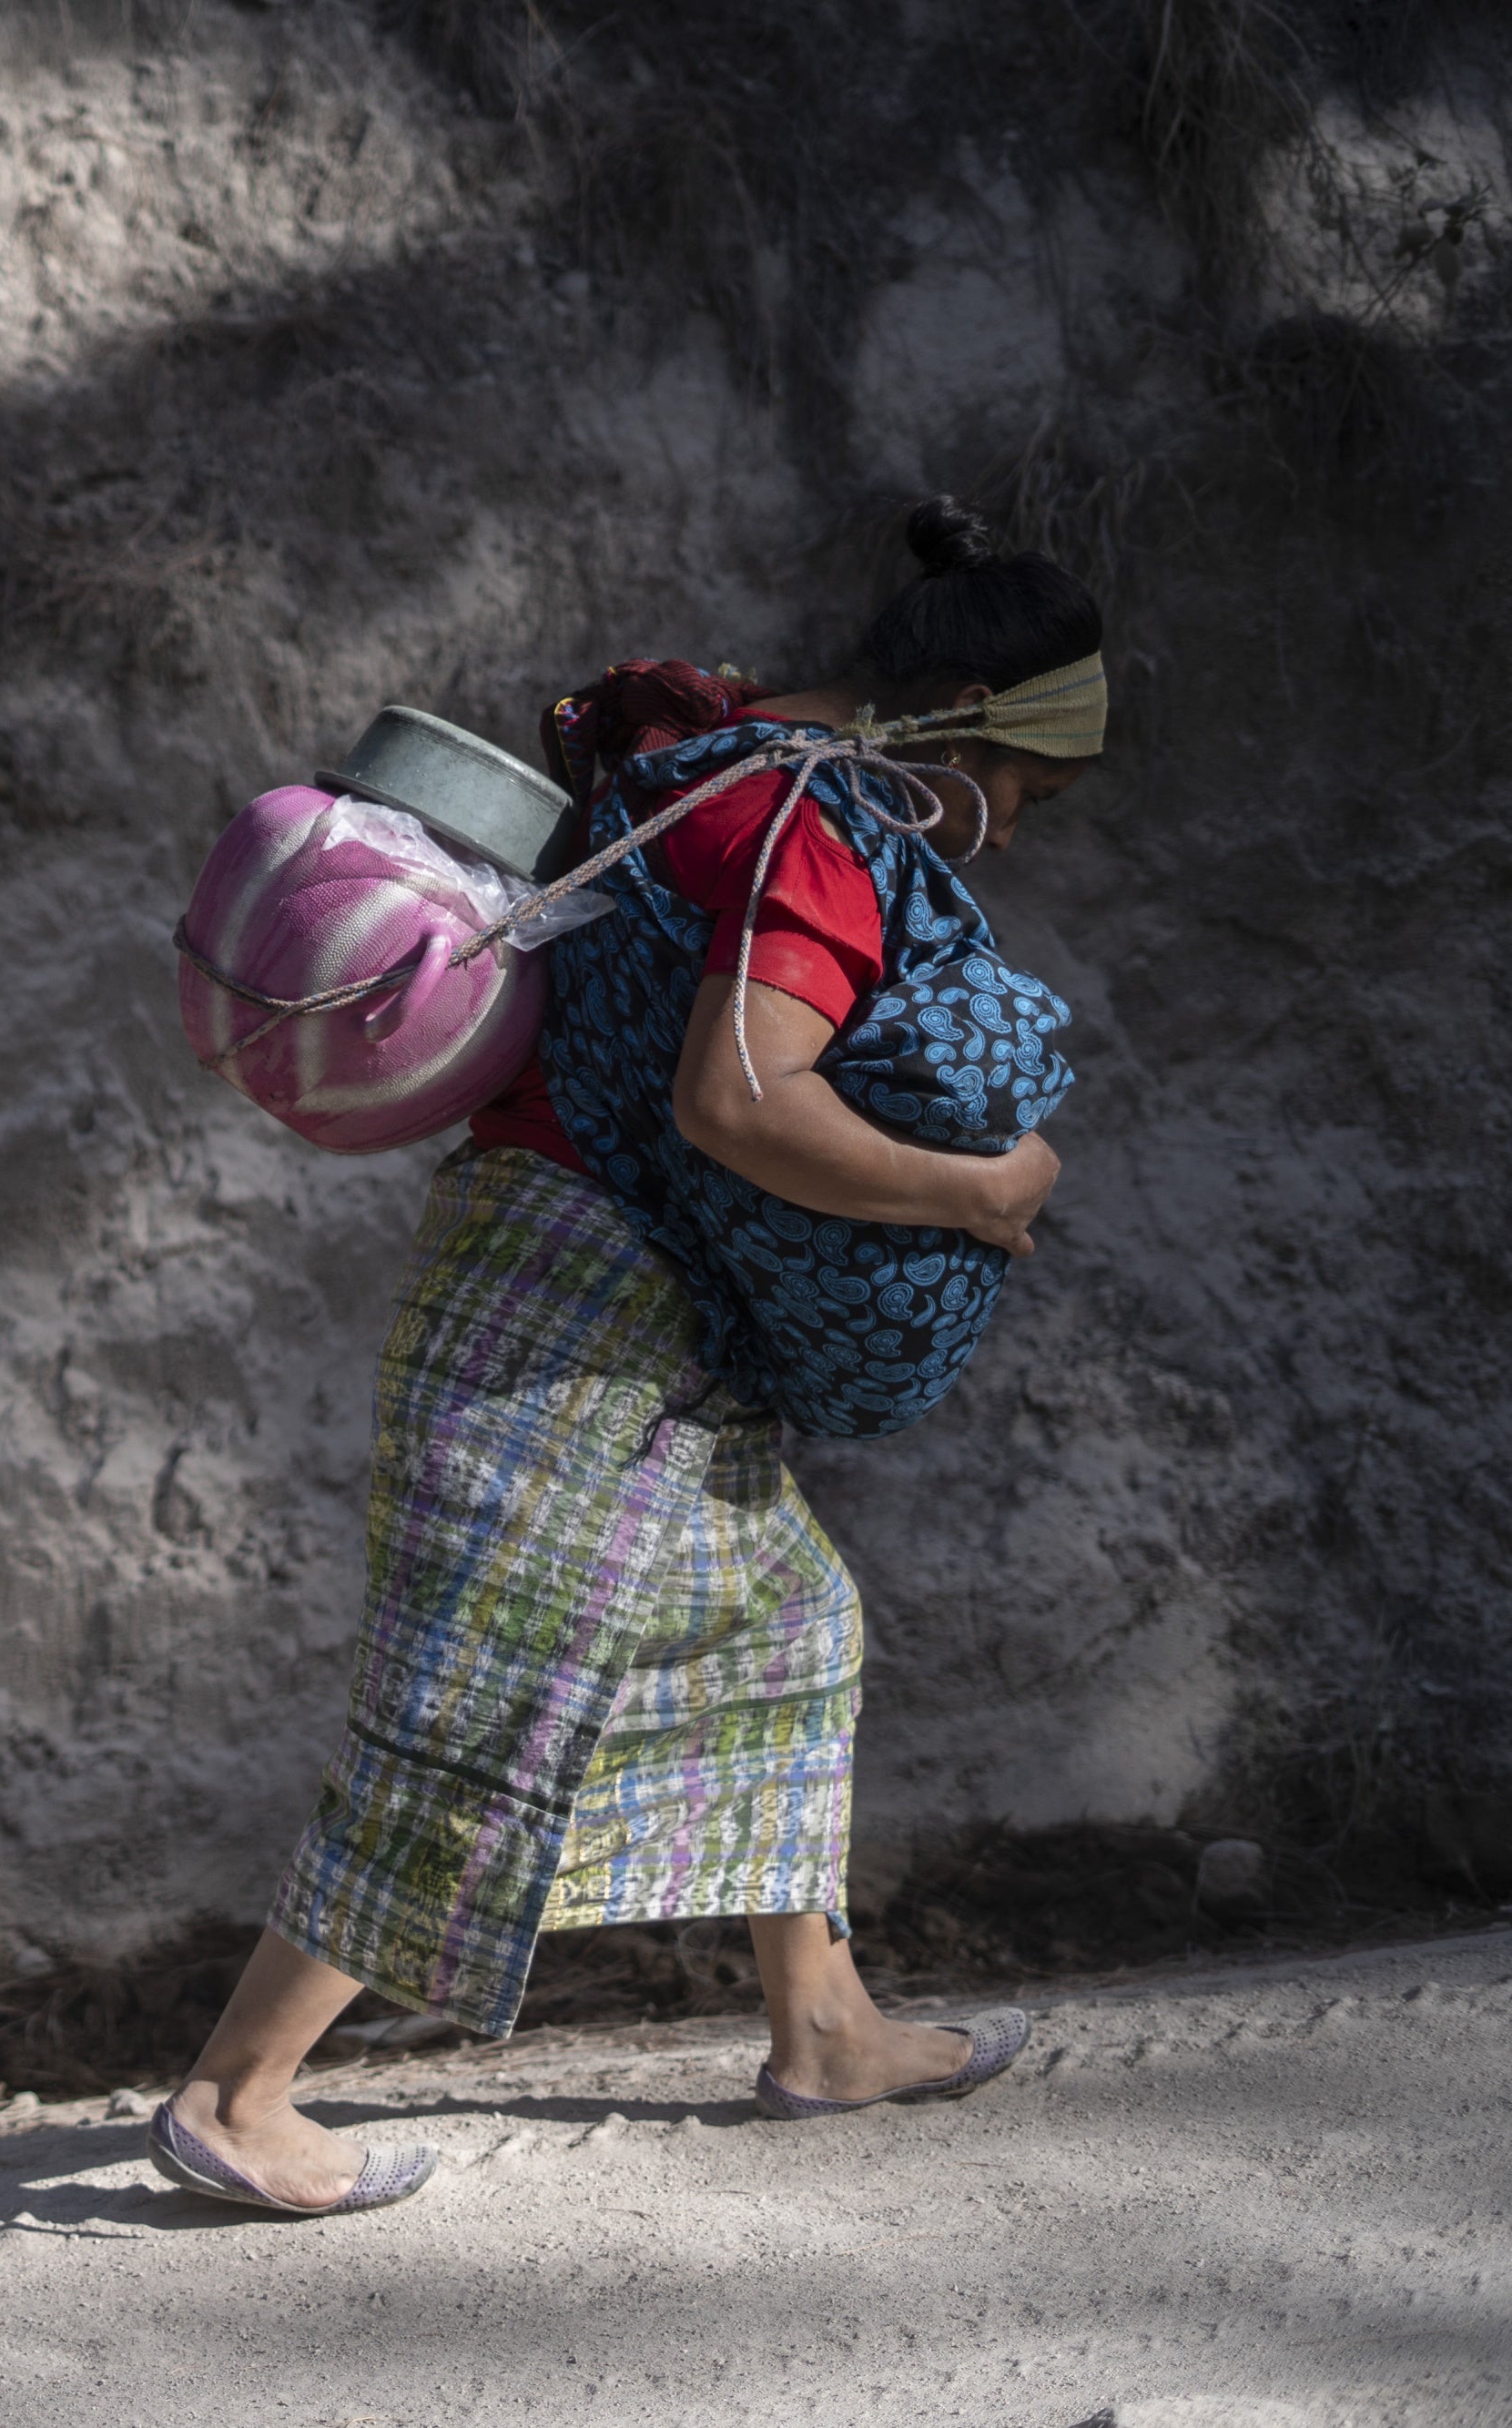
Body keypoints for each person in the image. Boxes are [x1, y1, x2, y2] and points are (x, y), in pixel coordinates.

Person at [147, 497, 1106, 2215]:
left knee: (785, 1622)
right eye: (1025, 796)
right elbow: (737, 1103)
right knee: (489, 1677)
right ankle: (237, 2095)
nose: (1011, 841)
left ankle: (825, 2028)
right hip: (574, 1303)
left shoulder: (702, 756)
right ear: (964, 740)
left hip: (564, 1262)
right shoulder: (816, 819)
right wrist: (980, 1190)